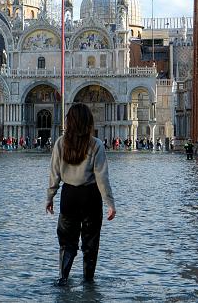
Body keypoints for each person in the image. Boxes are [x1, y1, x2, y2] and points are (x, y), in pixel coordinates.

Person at [46, 103, 117, 286]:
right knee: (90, 245)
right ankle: (88, 281)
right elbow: (102, 177)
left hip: (68, 196)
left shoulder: (61, 143)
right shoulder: (96, 144)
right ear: (88, 122)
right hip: (90, 197)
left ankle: (63, 279)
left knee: (66, 243)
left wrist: (50, 197)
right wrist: (110, 203)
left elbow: (54, 173)